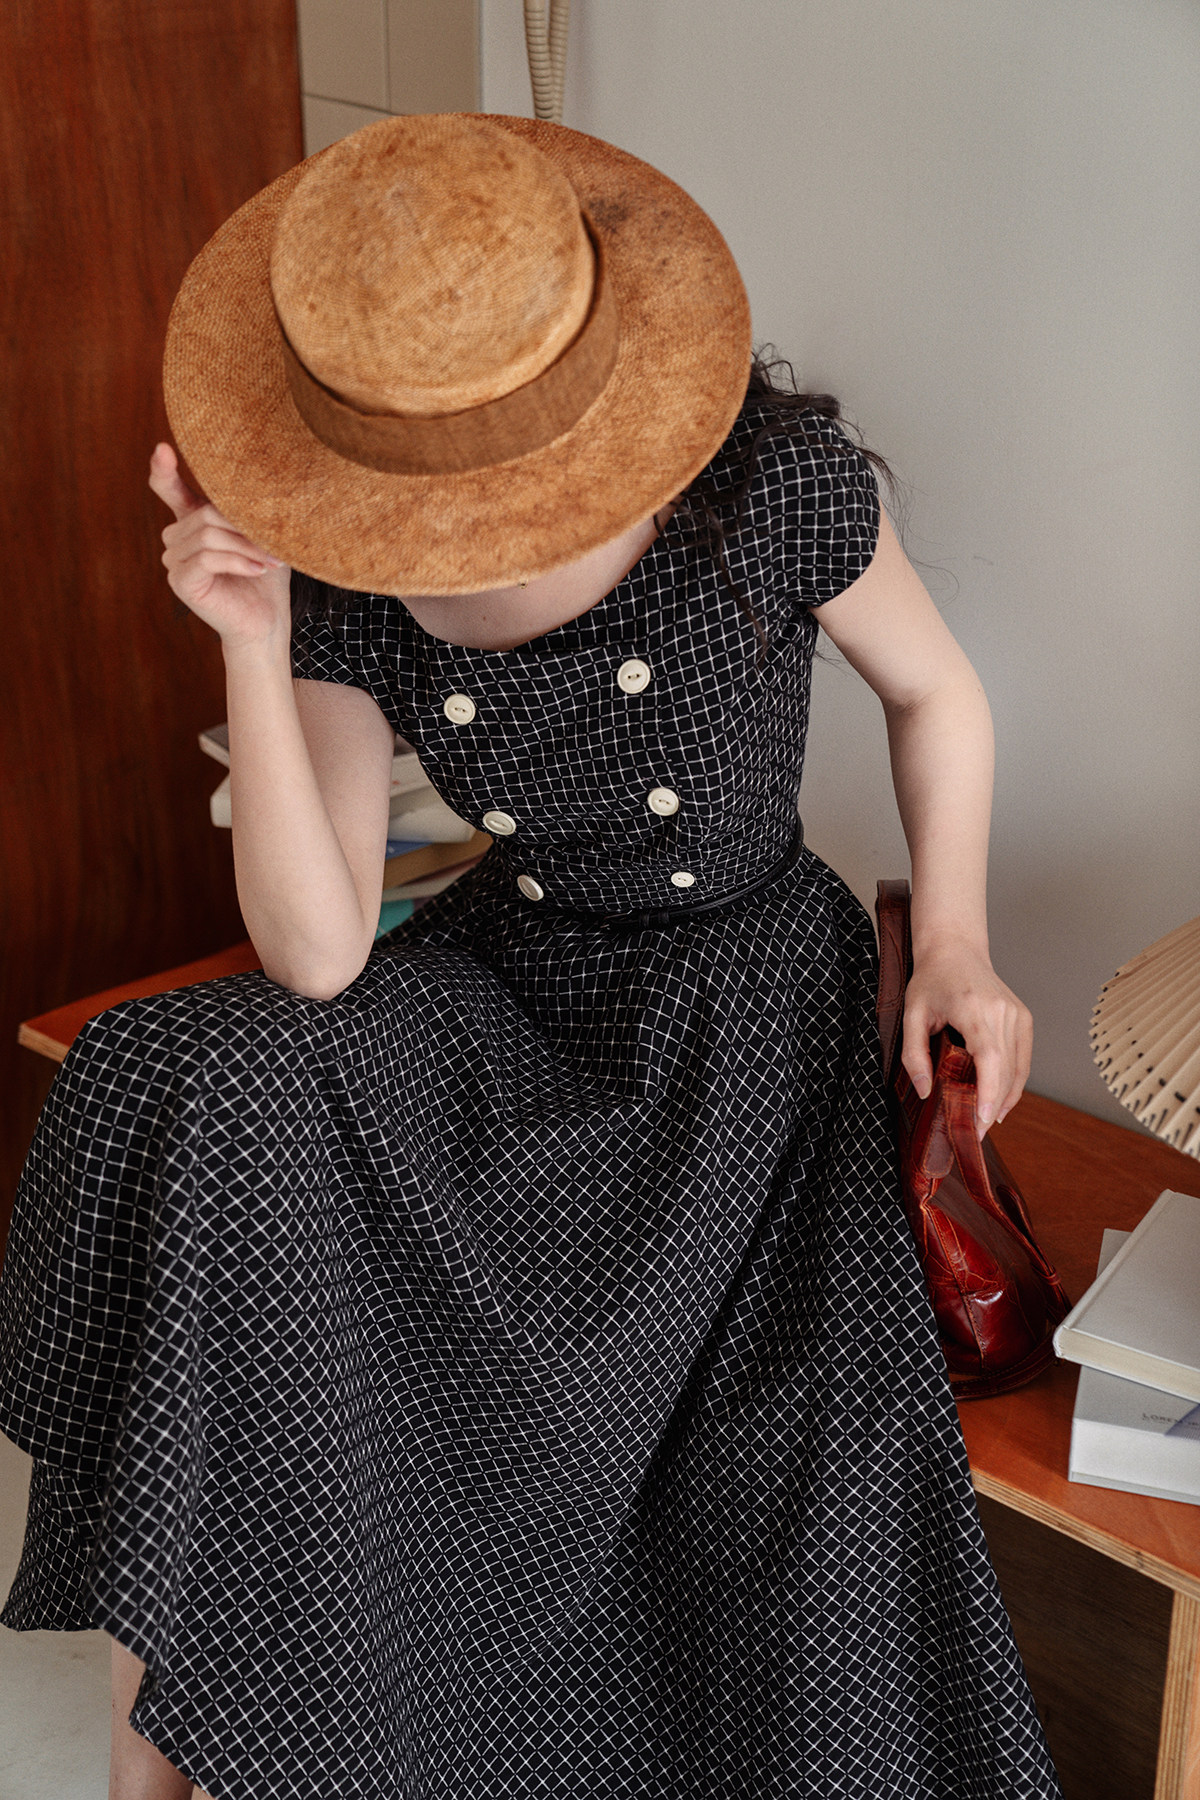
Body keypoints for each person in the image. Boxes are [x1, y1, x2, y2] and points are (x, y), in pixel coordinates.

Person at [0, 113, 1062, 1800]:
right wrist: (250, 648)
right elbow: (318, 953)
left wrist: (959, 944)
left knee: (792, 1453)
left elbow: (936, 692)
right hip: (513, 972)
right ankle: (169, 1753)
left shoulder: (765, 489)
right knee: (185, 1077)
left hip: (740, 1014)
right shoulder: (346, 568)